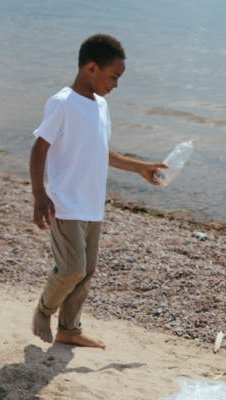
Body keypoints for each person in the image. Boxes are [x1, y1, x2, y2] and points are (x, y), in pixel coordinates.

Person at [29, 34, 167, 349]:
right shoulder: (63, 102)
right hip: (64, 202)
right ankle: (43, 310)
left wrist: (140, 167)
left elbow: (102, 151)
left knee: (86, 272)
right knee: (72, 268)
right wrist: (40, 194)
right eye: (114, 76)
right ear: (92, 68)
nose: (116, 84)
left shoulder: (101, 106)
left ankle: (69, 329)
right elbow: (39, 147)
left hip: (92, 204)